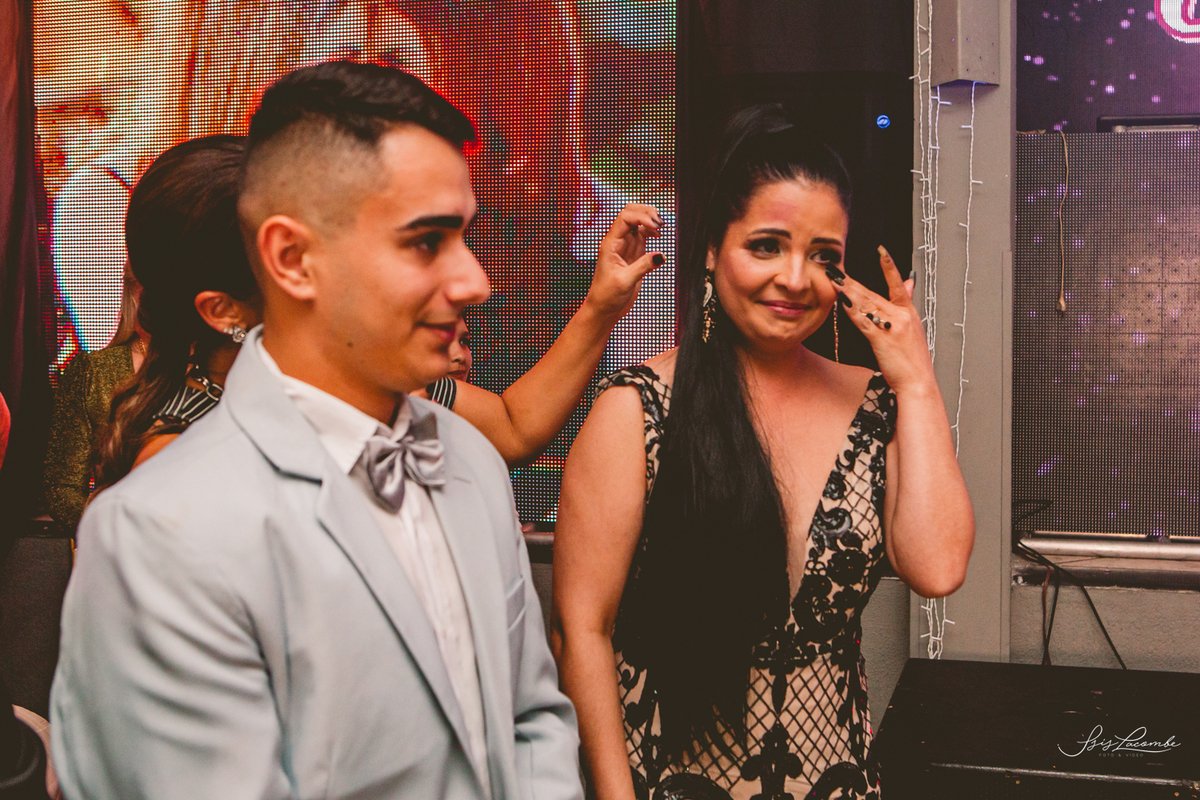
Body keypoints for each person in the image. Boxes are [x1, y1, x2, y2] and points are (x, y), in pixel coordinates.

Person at [52, 61, 586, 799]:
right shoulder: (159, 534)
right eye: (424, 242)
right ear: (291, 260)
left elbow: (531, 719)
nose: (475, 282)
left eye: (465, 235)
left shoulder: (469, 457)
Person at [552, 106, 975, 800]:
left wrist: (916, 381)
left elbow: (936, 567)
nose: (796, 278)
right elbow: (581, 630)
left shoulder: (877, 404)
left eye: (823, 256)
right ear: (712, 250)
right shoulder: (637, 410)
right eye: (767, 246)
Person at [40, 264, 149, 532]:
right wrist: (113, 534)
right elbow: (62, 488)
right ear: (134, 291)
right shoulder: (94, 371)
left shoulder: (218, 368)